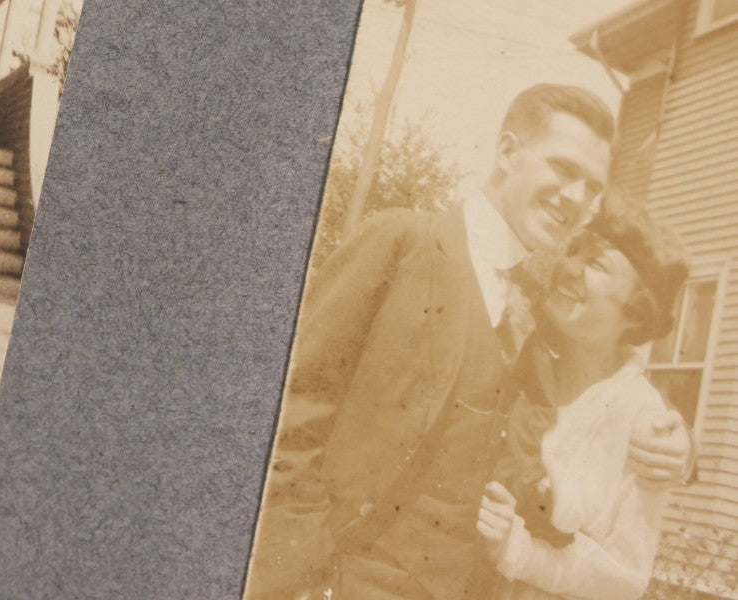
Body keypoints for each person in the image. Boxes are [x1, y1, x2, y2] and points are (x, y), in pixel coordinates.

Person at [249, 84, 692, 600]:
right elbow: (286, 413)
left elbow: (583, 397)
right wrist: (301, 575)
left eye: (591, 188)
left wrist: (680, 448)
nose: (575, 198)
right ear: (507, 151)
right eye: (562, 169)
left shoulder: (536, 311)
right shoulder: (403, 243)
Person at [476, 202, 688, 600]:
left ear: (636, 313)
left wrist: (516, 549)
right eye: (575, 252)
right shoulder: (521, 345)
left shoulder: (643, 421)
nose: (571, 268)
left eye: (597, 265)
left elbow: (627, 580)